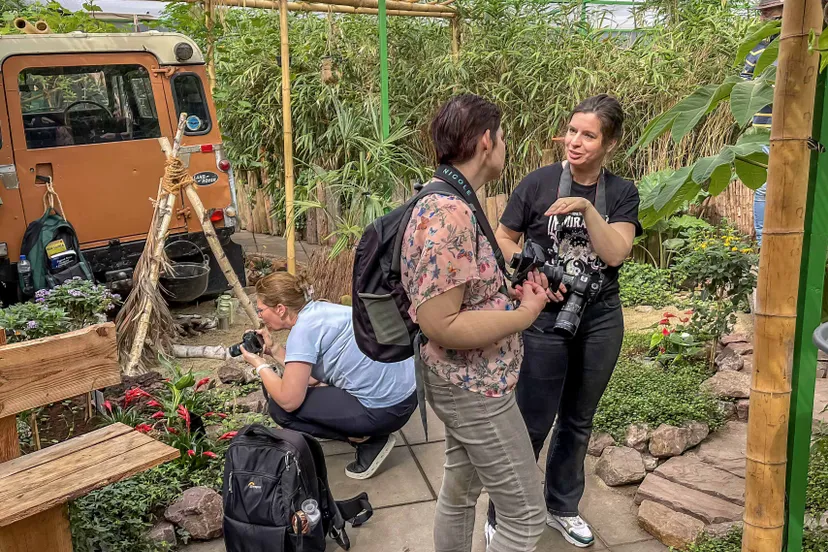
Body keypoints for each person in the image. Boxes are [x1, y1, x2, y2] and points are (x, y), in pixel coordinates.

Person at [486, 94, 641, 548]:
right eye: (572, 130)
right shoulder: (536, 183)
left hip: (600, 318)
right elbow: (503, 238)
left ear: (609, 143)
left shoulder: (623, 193)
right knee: (533, 419)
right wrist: (533, 272)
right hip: (543, 315)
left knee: (578, 419)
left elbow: (616, 253)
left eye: (588, 135)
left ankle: (561, 506)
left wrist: (586, 208)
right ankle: (506, 510)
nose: (574, 142)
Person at [400, 94, 551, 552]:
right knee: (526, 516)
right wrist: (523, 316)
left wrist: (508, 294)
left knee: (461, 492)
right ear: (486, 142)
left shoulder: (455, 200)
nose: (505, 146)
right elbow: (440, 323)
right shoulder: (449, 213)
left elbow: (463, 293)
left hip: (467, 380)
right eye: (503, 137)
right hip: (473, 388)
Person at [240, 271, 417, 480]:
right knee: (306, 391)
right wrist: (276, 351)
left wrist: (259, 364)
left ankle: (368, 441)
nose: (260, 316)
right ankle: (359, 429)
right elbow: (312, 379)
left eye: (261, 310)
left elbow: (289, 401)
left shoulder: (303, 332)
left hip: (386, 411)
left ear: (280, 309)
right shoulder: (322, 310)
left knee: (279, 409)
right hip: (409, 396)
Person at [741, 0, 783, 248]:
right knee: (764, 188)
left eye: (772, 12)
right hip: (763, 129)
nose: (765, 16)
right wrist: (763, 88)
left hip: (795, 128)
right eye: (763, 12)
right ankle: (761, 242)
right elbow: (744, 78)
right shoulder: (758, 47)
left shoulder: (797, 43)